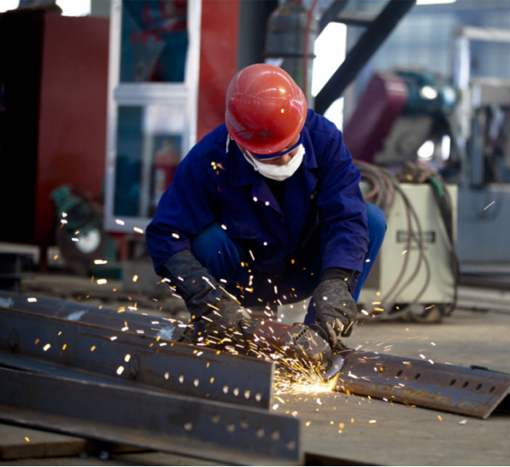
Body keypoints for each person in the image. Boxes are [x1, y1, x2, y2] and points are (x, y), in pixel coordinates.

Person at [146, 64, 386, 352]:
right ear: (241, 144)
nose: (284, 161)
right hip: (242, 282)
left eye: (290, 147)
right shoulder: (209, 159)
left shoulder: (324, 139)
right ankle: (223, 326)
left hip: (304, 274)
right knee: (208, 240)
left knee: (371, 219)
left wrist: (337, 282)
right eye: (272, 156)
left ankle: (322, 336)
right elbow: (164, 234)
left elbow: (346, 216)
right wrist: (207, 299)